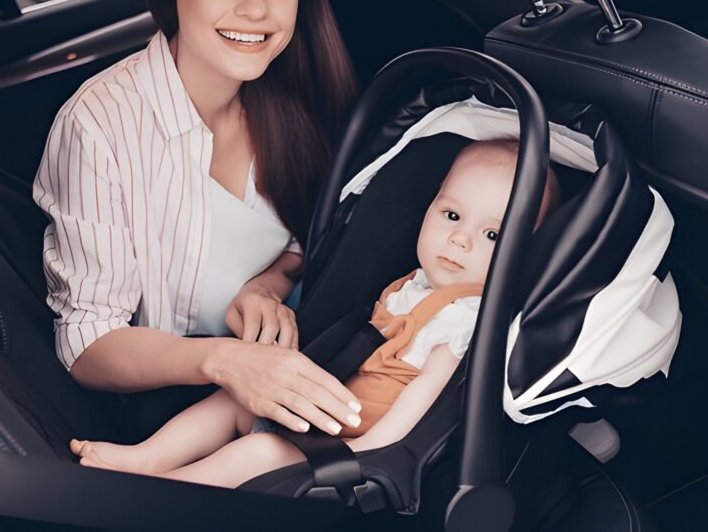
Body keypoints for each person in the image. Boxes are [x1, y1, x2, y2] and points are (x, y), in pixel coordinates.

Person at [32, 0, 361, 437]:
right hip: (181, 421)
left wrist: (267, 286)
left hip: (308, 372)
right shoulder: (98, 126)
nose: (256, 9)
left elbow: (319, 238)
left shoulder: (298, 91)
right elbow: (87, 342)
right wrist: (224, 361)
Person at [70, 139, 562, 488]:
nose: (460, 239)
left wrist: (368, 461)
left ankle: (165, 497)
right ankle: (147, 458)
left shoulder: (468, 316)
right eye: (451, 216)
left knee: (258, 452)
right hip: (325, 405)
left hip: (358, 441)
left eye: (492, 235)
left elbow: (429, 401)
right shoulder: (412, 282)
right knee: (235, 398)